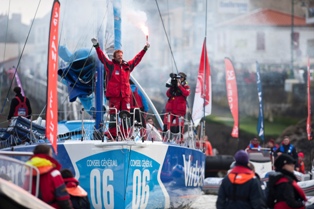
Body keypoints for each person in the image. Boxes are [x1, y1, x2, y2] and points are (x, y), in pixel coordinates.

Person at [91, 37, 149, 140]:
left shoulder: (127, 67)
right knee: (113, 115)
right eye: (118, 56)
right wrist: (97, 47)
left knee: (126, 116)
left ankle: (125, 135)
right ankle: (113, 135)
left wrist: (144, 49)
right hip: (114, 96)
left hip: (125, 96)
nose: (120, 58)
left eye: (121, 56)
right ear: (114, 57)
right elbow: (102, 58)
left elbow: (137, 59)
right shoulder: (111, 66)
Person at [25, 144, 73, 209]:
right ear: (47, 155)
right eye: (51, 154)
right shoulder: (54, 173)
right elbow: (63, 198)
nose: (52, 156)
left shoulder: (29, 173)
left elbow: (25, 193)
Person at [163, 72, 190, 141]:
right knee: (166, 124)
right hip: (171, 108)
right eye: (178, 77)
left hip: (179, 110)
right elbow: (168, 94)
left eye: (181, 78)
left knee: (179, 125)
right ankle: (165, 138)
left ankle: (180, 139)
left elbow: (186, 93)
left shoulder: (186, 86)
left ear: (184, 79)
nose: (179, 79)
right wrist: (173, 87)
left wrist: (180, 86)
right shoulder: (173, 86)